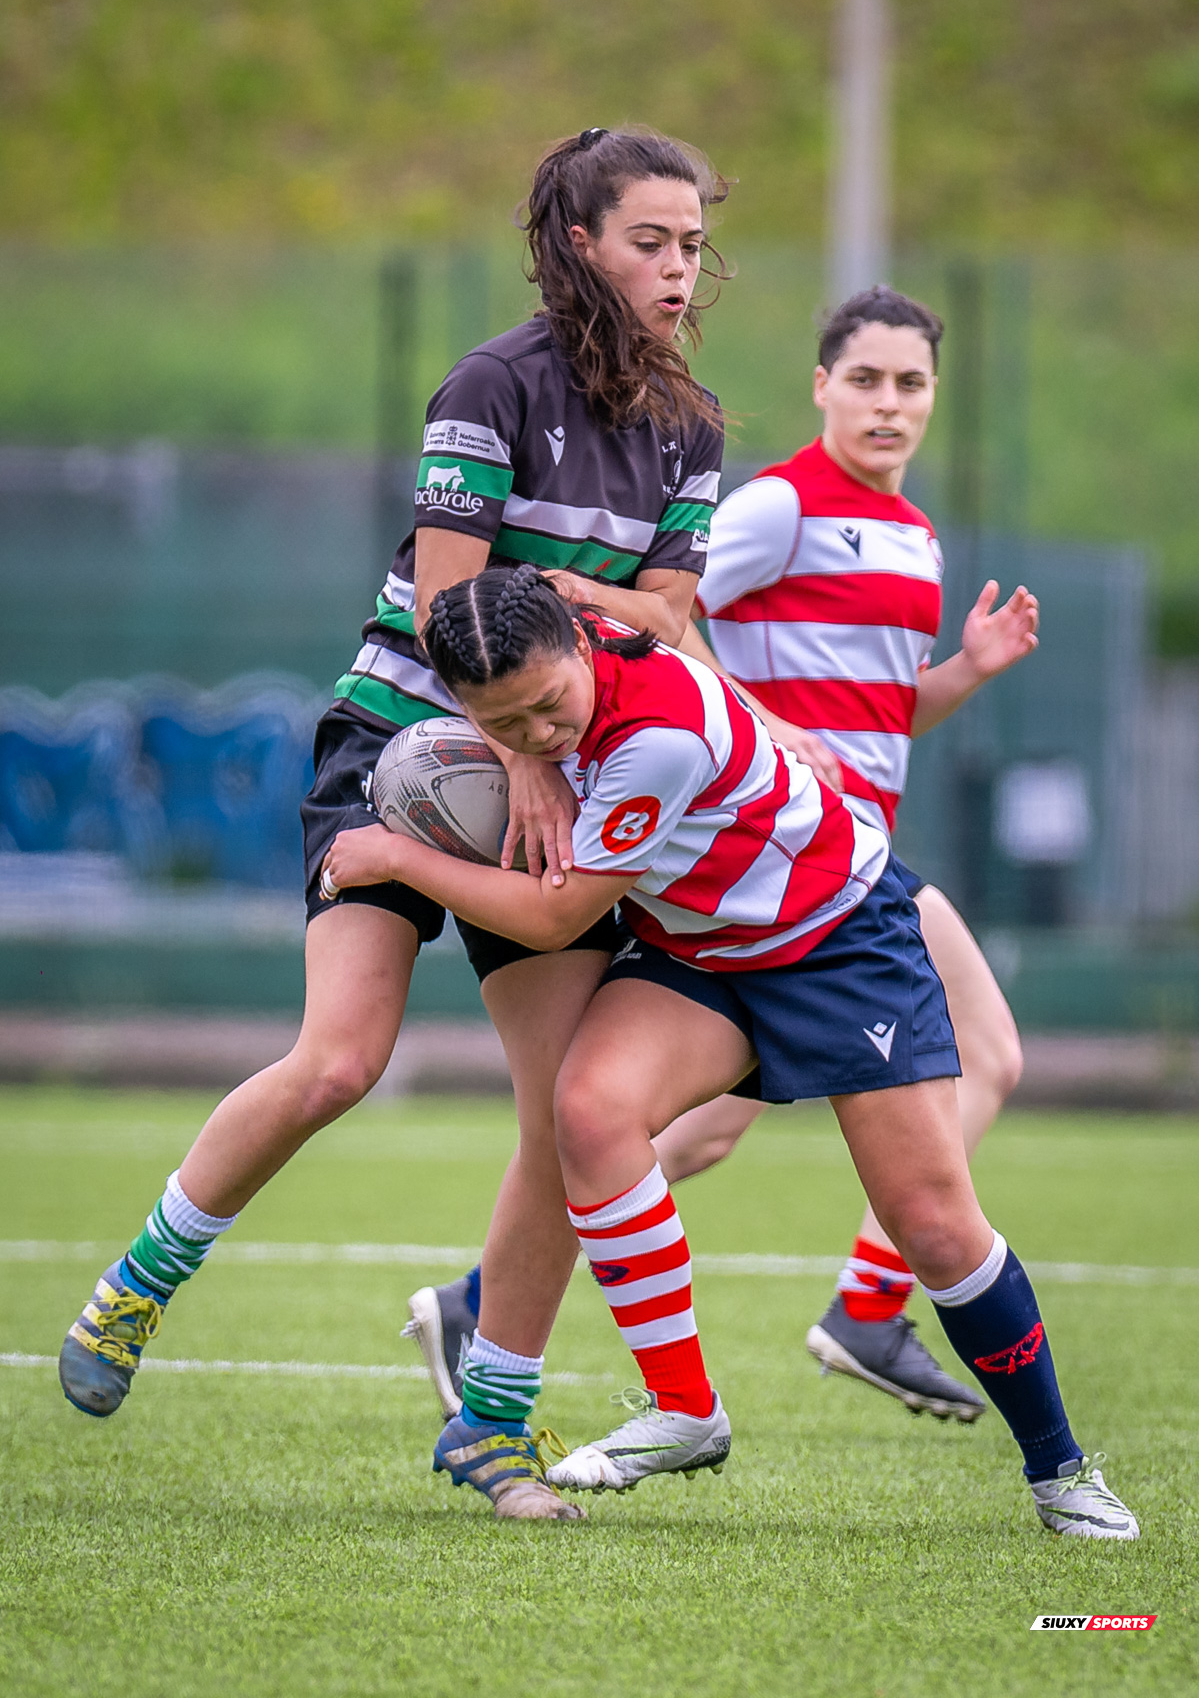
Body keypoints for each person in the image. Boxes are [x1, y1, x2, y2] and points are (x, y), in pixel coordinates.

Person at [57, 127, 727, 1517]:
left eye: (691, 243)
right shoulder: (490, 387)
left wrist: (574, 712)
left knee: (566, 1112)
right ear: (579, 243)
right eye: (649, 240)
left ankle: (488, 1423)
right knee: (339, 1060)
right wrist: (535, 729)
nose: (677, 267)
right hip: (402, 746)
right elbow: (447, 604)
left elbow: (669, 615)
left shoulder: (690, 423)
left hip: (556, 757)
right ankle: (140, 1283)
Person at [323, 564, 1138, 1541]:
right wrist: (520, 741)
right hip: (703, 950)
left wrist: (397, 856)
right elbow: (558, 620)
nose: (538, 738)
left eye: (548, 708)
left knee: (929, 1225)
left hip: (837, 942)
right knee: (587, 1111)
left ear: (580, 646)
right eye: (505, 726)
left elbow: (557, 917)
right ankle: (684, 1410)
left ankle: (1057, 1469)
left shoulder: (655, 737)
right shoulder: (559, 644)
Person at [408, 284, 1037, 1428]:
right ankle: (859, 1309)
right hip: (773, 845)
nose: (888, 404)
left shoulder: (914, 534)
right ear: (820, 387)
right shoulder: (782, 507)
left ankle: (492, 1300)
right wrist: (733, 718)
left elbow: (881, 718)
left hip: (829, 853)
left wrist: (968, 672)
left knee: (666, 1122)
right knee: (983, 1053)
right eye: (865, 380)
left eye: (909, 384)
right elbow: (667, 625)